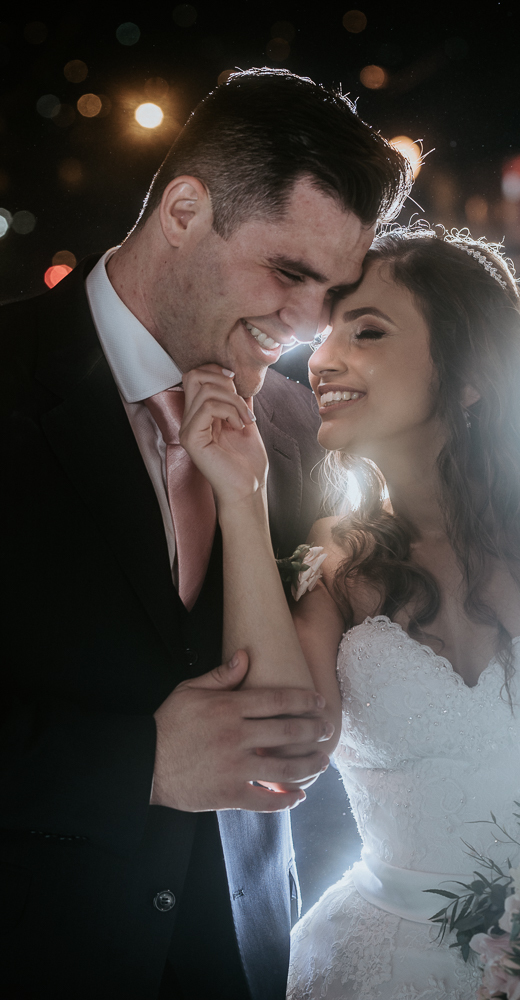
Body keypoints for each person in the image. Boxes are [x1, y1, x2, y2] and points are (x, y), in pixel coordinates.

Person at [0, 69, 410, 999]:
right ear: (184, 209)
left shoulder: (304, 431)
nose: (305, 326)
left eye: (333, 292)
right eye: (289, 272)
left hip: (247, 959)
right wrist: (135, 763)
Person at [179, 227, 520, 1000]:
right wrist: (240, 497)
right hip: (377, 970)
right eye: (325, 334)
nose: (324, 360)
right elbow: (280, 744)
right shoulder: (339, 562)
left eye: (366, 331)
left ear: (470, 373)